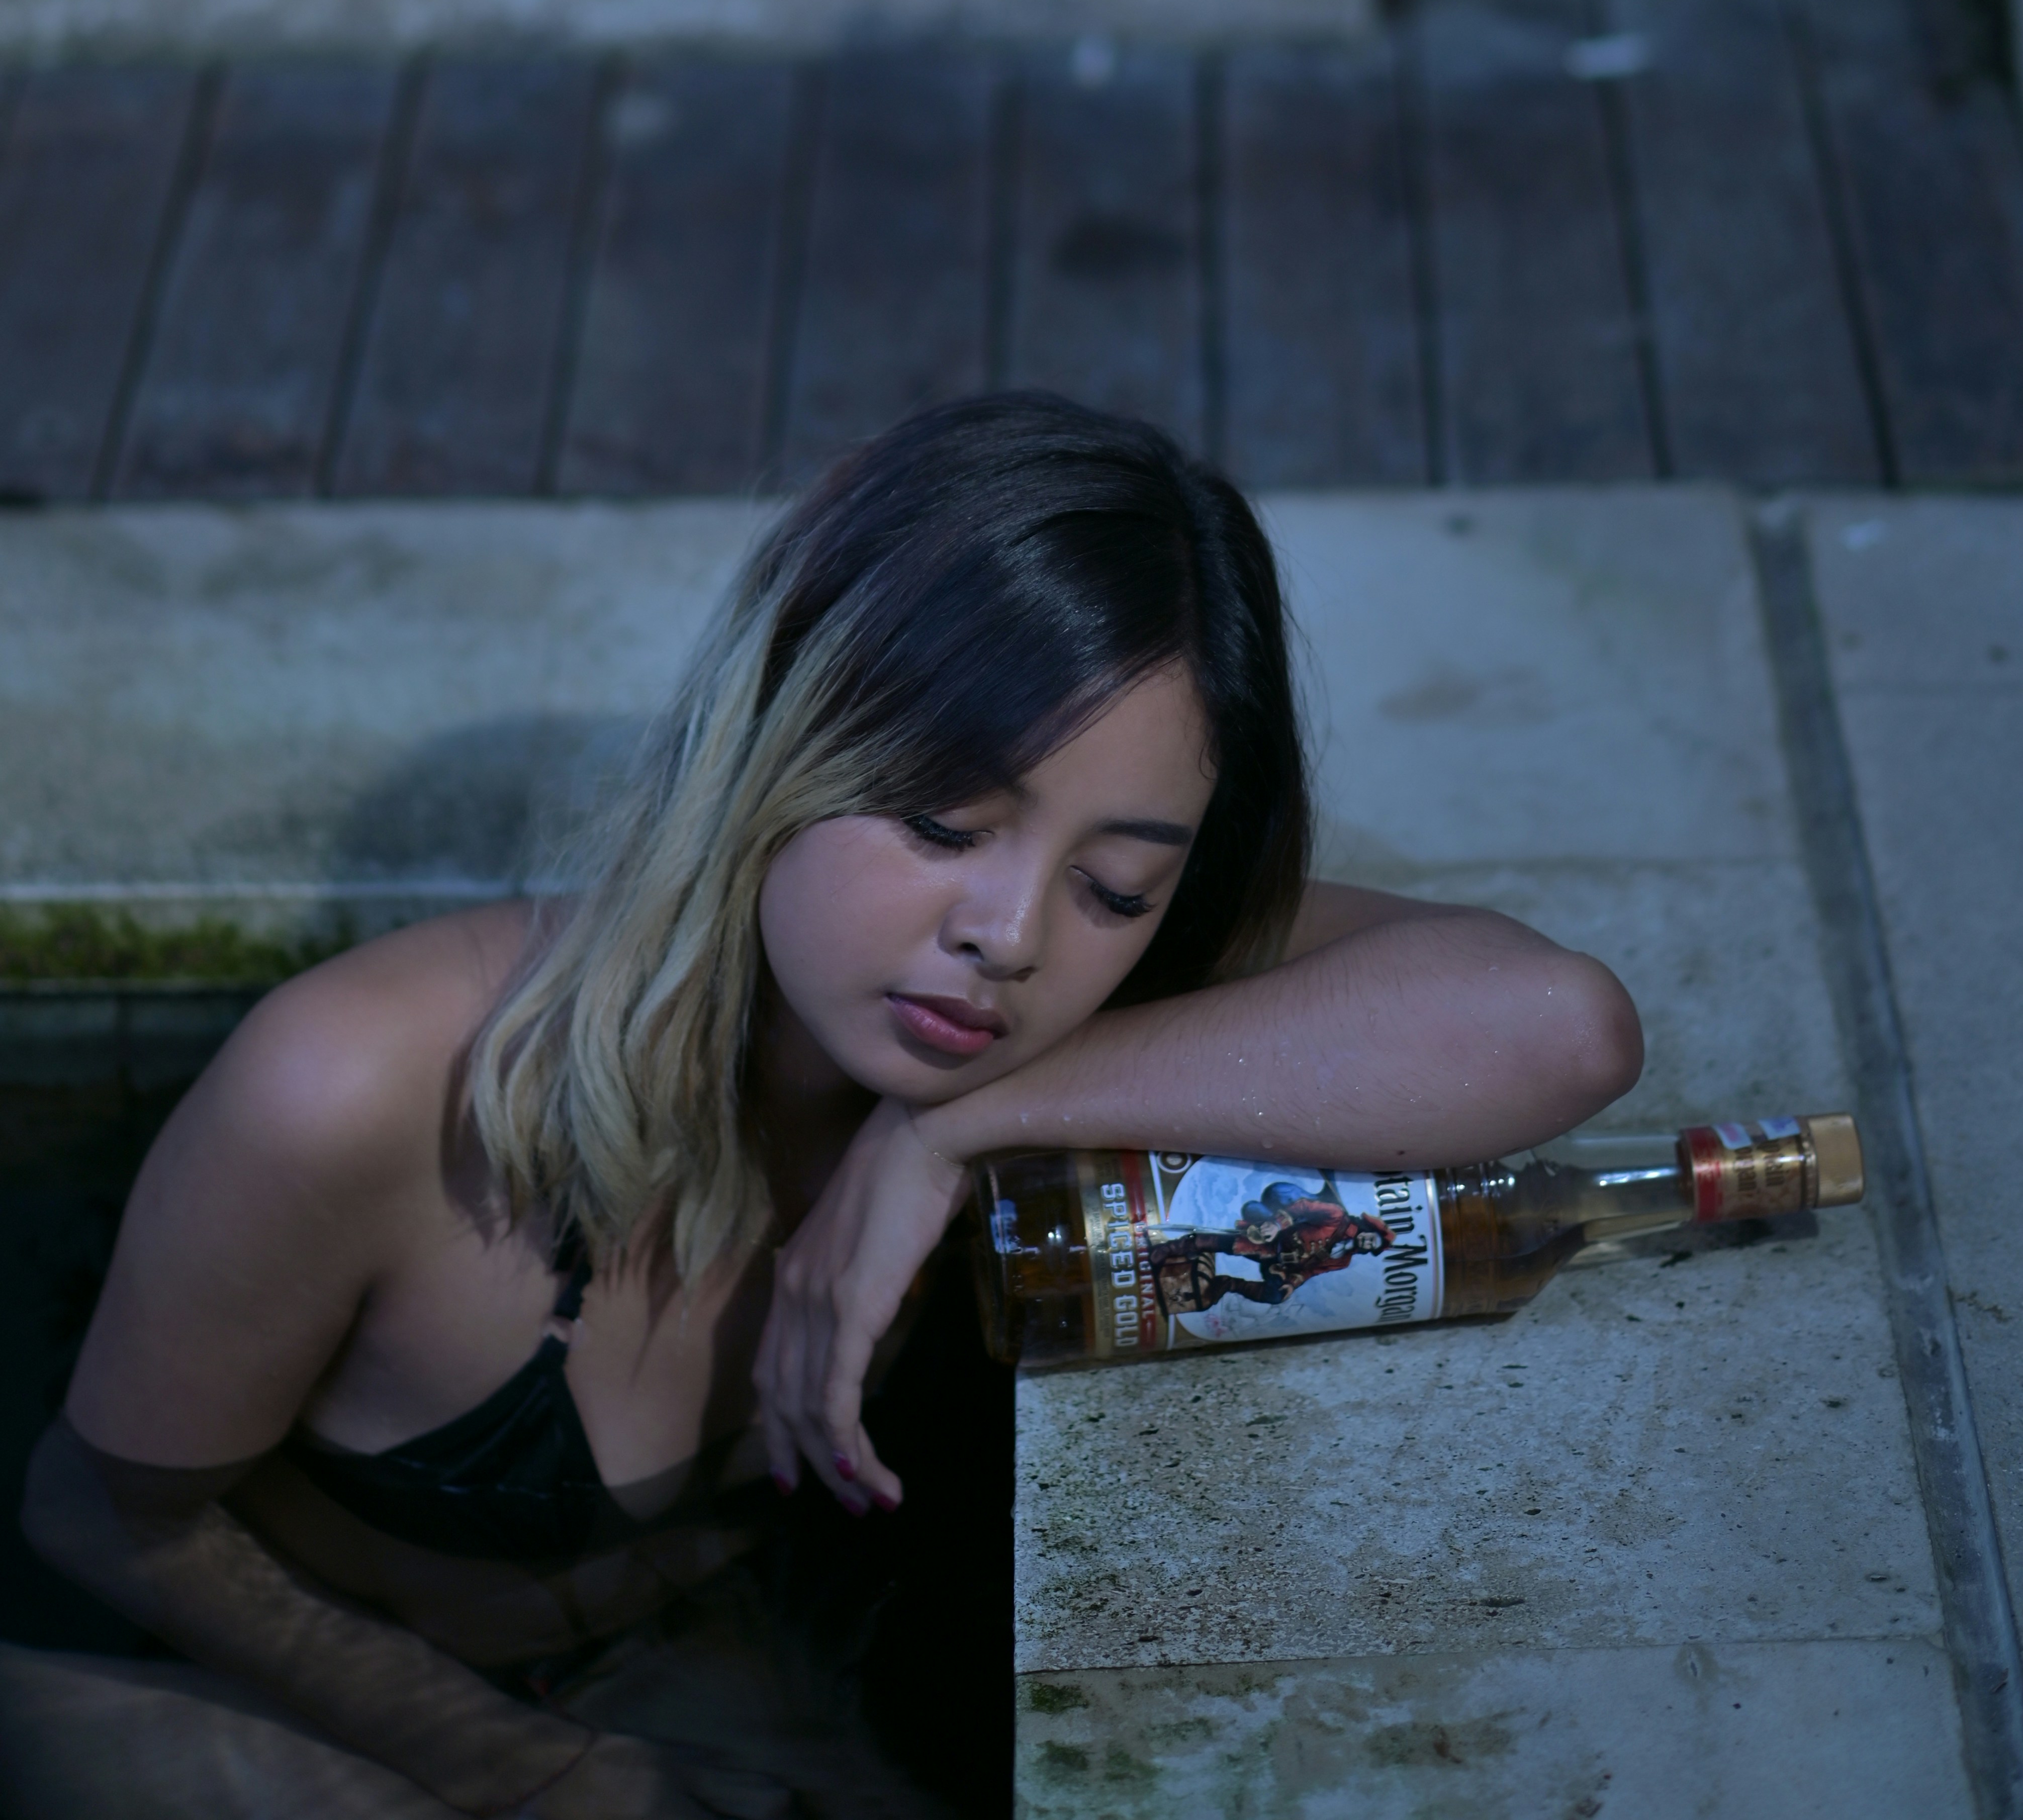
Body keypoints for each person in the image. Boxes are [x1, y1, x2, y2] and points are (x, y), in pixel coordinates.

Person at [6, 394, 1641, 1817]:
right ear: (782, 738)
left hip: (678, 1658)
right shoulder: (357, 1087)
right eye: (942, 822)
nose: (1012, 934)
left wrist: (946, 1132)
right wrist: (526, 1772)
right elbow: (101, 1518)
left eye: (1117, 885)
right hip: (232, 1682)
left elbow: (1555, 1028)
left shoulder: (1052, 1006)